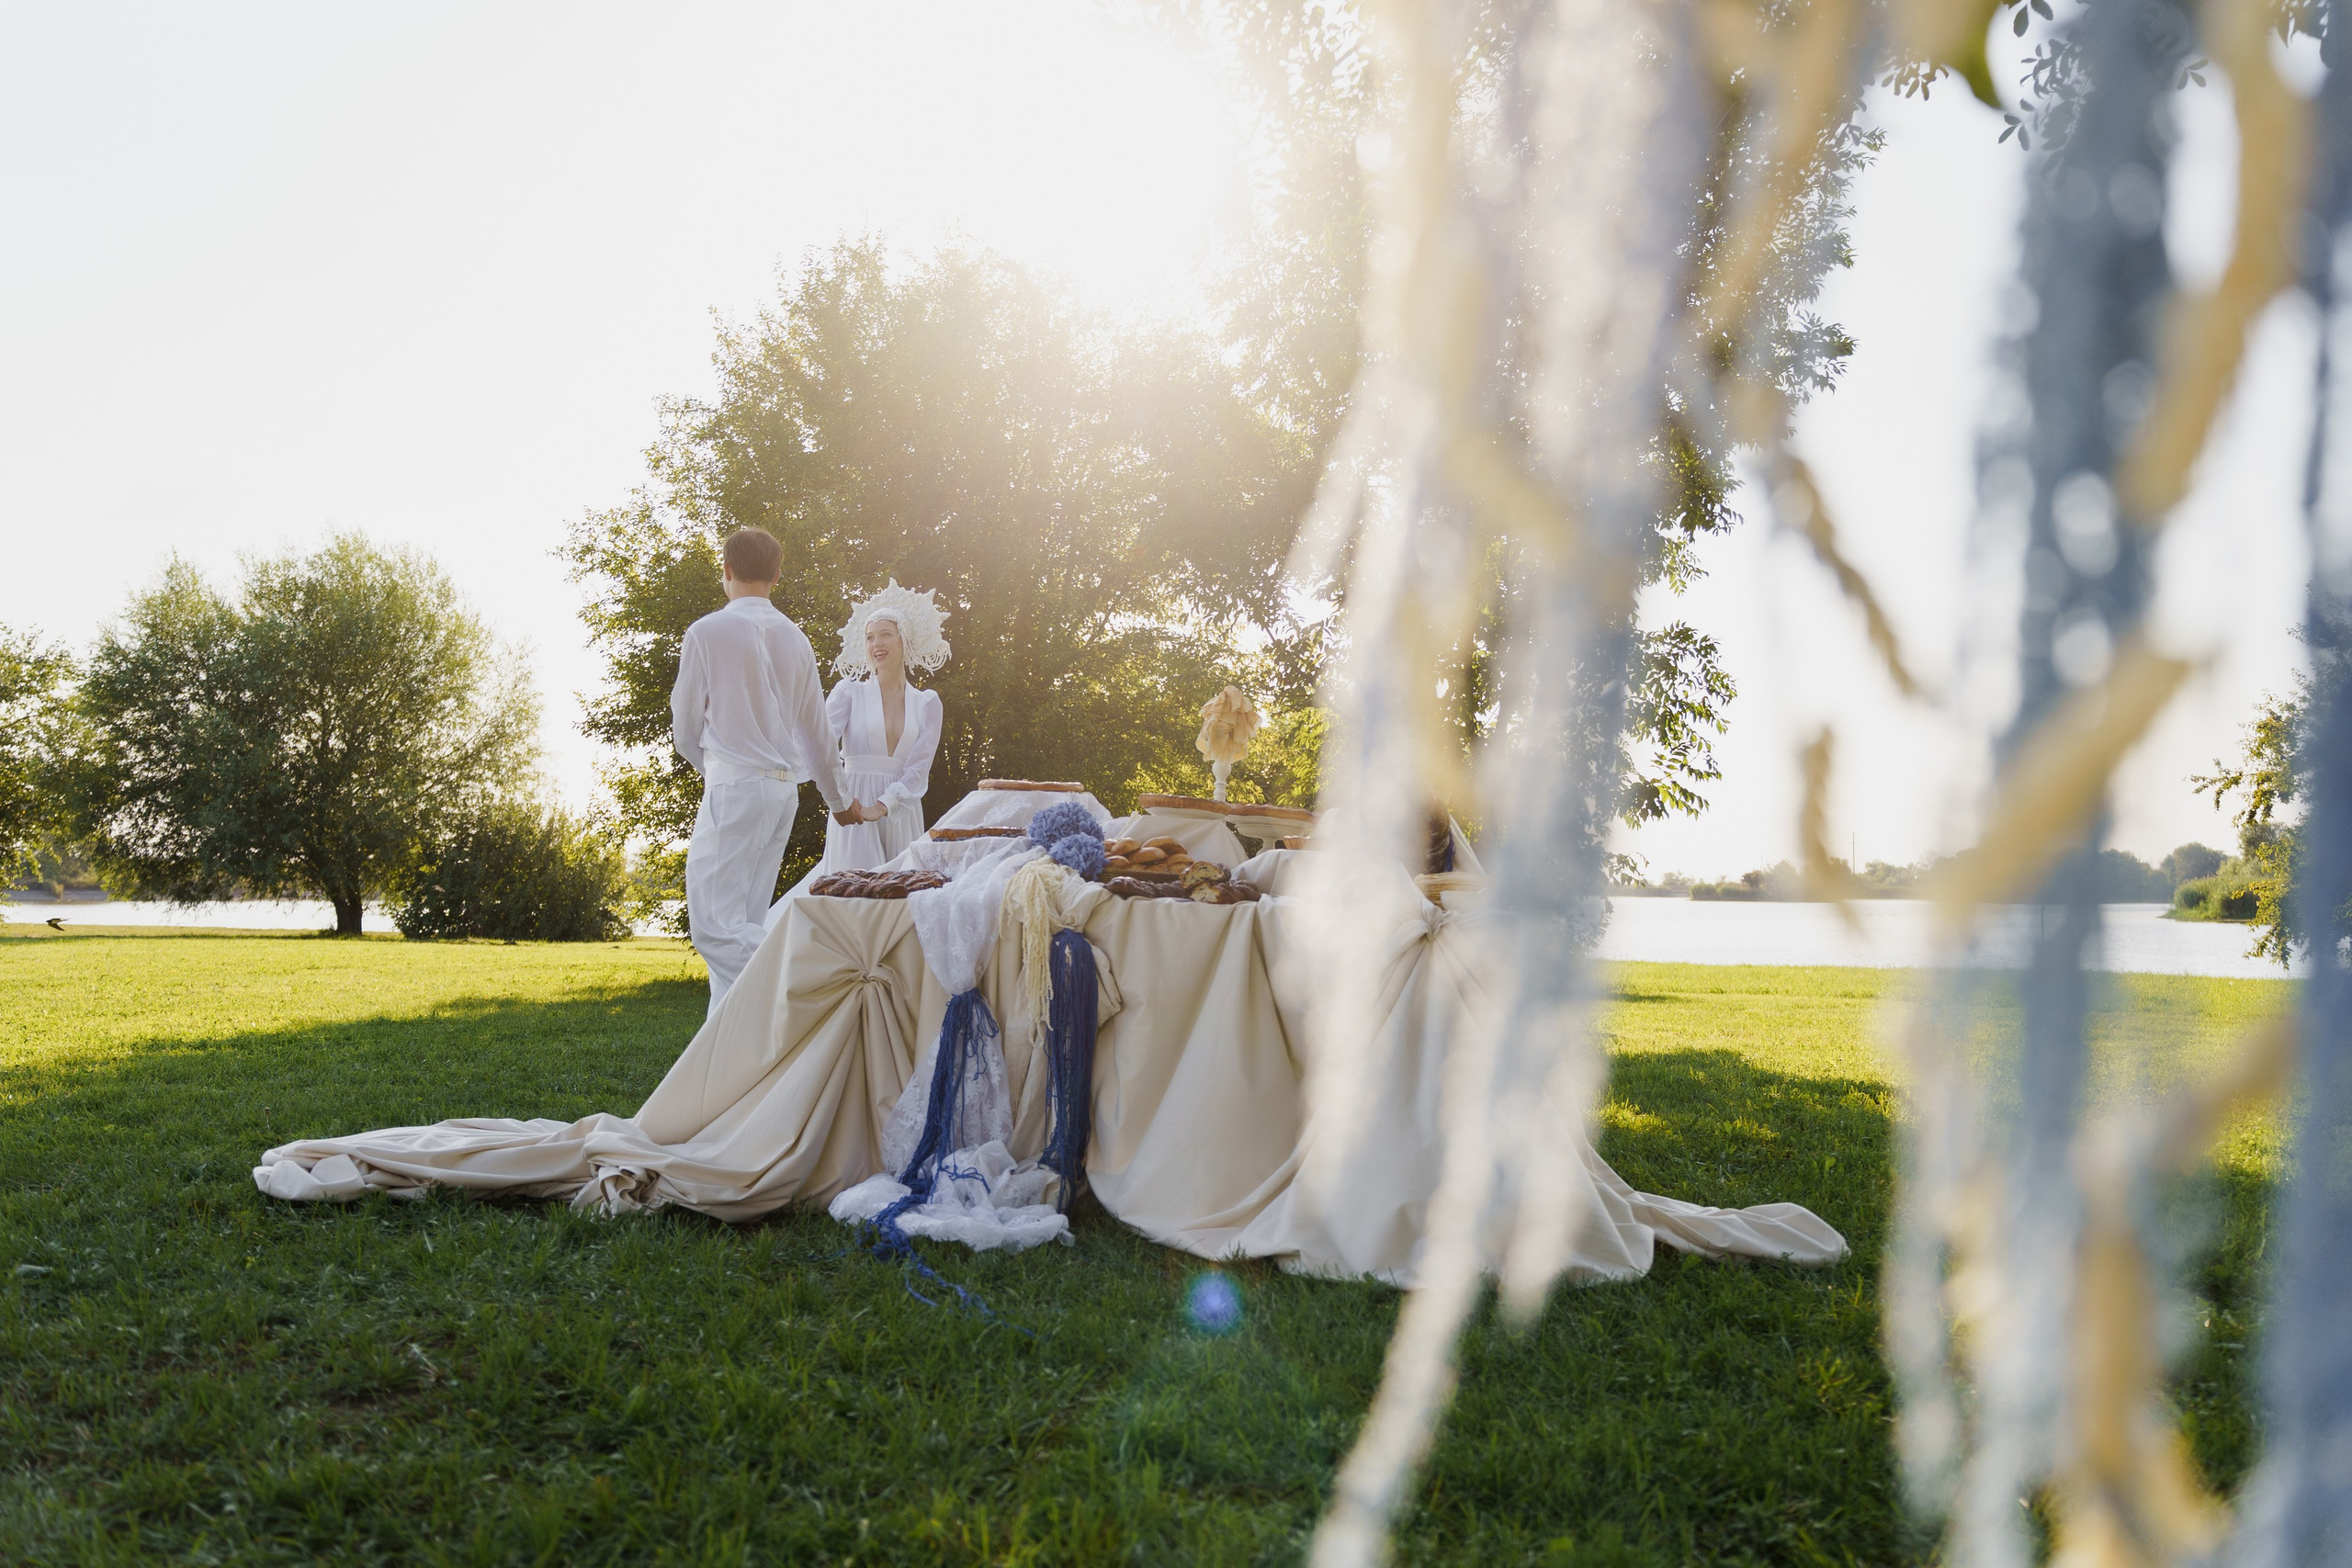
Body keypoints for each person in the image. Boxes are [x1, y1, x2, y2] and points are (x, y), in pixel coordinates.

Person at [670, 526, 854, 1012]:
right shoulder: (796, 639)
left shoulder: (706, 632)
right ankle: (729, 1063)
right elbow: (817, 734)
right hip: (781, 796)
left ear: (726, 571)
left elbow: (685, 729)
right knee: (744, 925)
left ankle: (820, 978)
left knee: (713, 928)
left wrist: (718, 773)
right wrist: (838, 802)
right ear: (776, 575)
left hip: (735, 787)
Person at [801, 581, 950, 886]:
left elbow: (918, 770)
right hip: (853, 808)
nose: (876, 644)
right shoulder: (849, 693)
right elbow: (820, 746)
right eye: (869, 637)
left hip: (901, 812)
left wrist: (883, 806)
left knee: (899, 898)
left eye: (885, 635)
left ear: (903, 639)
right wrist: (843, 800)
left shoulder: (927, 703)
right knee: (851, 898)